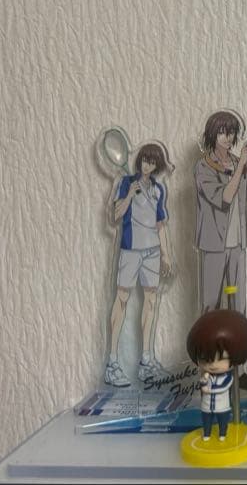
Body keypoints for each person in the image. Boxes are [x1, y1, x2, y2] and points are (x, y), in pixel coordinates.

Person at [104, 142, 173, 387]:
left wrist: (166, 254)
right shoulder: (126, 183)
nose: (147, 165)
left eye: (152, 162)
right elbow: (115, 216)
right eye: (145, 160)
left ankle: (146, 361)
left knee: (151, 302)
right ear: (139, 160)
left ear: (156, 166)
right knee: (121, 299)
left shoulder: (158, 189)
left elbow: (160, 225)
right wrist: (129, 196)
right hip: (130, 250)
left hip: (152, 252)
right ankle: (112, 363)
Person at [194, 110, 247, 316]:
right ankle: (208, 338)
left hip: (237, 245)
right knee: (212, 302)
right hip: (214, 245)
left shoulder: (239, 163)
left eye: (231, 132)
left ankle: (239, 336)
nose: (228, 138)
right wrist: (240, 167)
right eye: (222, 132)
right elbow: (224, 199)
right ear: (212, 134)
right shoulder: (204, 167)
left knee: (236, 299)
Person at [187, 308, 247, 442]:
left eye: (222, 358)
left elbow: (222, 387)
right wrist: (204, 383)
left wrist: (207, 388)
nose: (213, 364)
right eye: (205, 359)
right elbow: (202, 384)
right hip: (206, 407)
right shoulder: (206, 376)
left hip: (222, 406)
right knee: (206, 421)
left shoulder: (227, 378)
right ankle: (207, 434)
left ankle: (222, 434)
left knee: (223, 421)